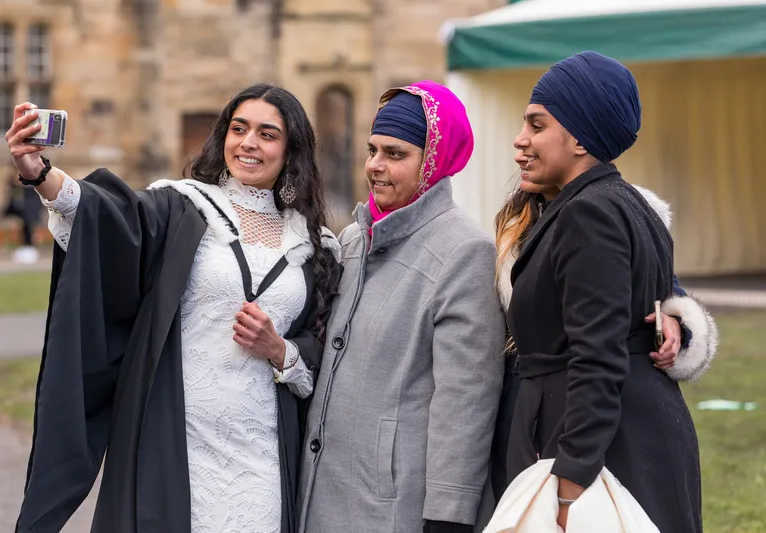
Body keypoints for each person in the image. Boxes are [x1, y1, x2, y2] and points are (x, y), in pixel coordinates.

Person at [5, 84, 341, 533]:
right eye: (239, 128)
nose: (249, 143)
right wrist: (38, 171)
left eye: (267, 133)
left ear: (291, 149)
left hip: (262, 448)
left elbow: (328, 354)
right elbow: (109, 216)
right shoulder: (182, 207)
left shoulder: (317, 247)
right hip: (177, 439)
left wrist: (281, 351)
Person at [504, 51, 702, 532]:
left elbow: (598, 356)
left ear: (578, 138)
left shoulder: (589, 213)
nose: (520, 140)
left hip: (606, 448)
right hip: (633, 430)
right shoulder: (621, 202)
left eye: (537, 125)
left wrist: (572, 482)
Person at [297, 81, 505, 533]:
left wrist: (448, 516)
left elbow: (466, 400)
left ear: (433, 162)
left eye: (395, 154)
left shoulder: (464, 252)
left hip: (393, 505)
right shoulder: (354, 239)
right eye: (373, 150)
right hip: (322, 490)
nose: (375, 165)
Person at [489, 178, 719, 503]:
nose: (522, 143)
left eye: (538, 127)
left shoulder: (611, 209)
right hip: (527, 399)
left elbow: (660, 288)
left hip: (609, 400)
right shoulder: (515, 224)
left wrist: (676, 319)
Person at [2, 165, 42, 263]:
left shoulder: (33, 180)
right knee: (23, 228)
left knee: (29, 228)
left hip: (30, 208)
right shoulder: (14, 181)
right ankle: (25, 250)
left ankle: (29, 250)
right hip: (20, 209)